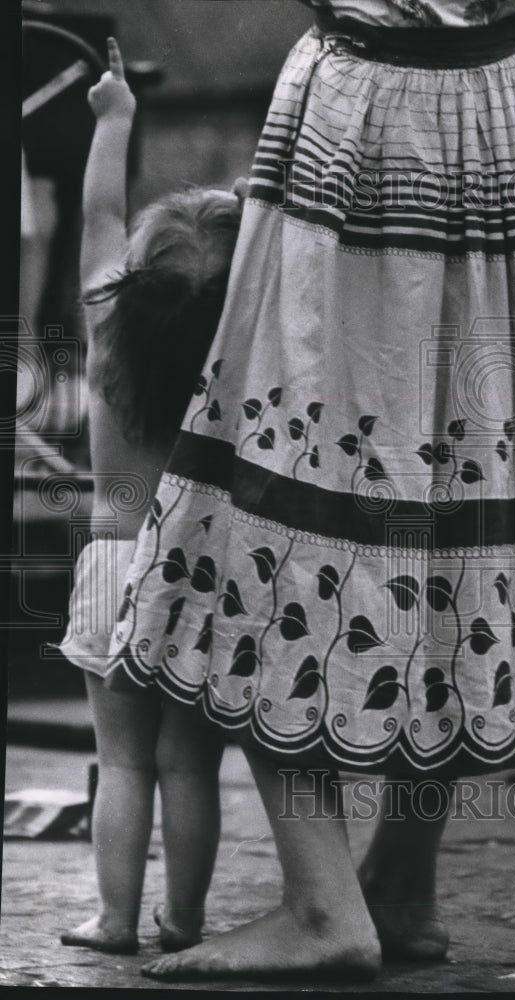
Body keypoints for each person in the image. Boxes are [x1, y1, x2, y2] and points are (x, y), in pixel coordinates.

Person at [103, 1, 515, 981]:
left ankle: (324, 901)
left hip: (367, 116)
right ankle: (400, 880)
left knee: (266, 514)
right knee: (455, 479)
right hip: (501, 106)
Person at [58, 38, 245, 956]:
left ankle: (114, 919)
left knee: (121, 760)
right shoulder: (238, 364)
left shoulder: (105, 335)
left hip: (111, 565)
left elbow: (96, 215)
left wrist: (116, 119)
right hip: (203, 575)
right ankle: (187, 921)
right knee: (188, 764)